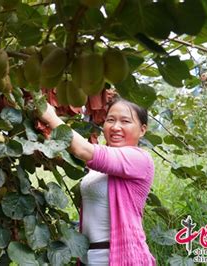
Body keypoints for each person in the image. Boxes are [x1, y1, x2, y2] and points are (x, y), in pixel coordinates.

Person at [39, 98, 156, 265]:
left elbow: (82, 149)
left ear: (142, 130)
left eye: (125, 121)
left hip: (120, 257)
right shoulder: (101, 166)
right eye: (110, 120)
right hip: (90, 258)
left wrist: (50, 117)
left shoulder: (140, 159)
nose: (116, 127)